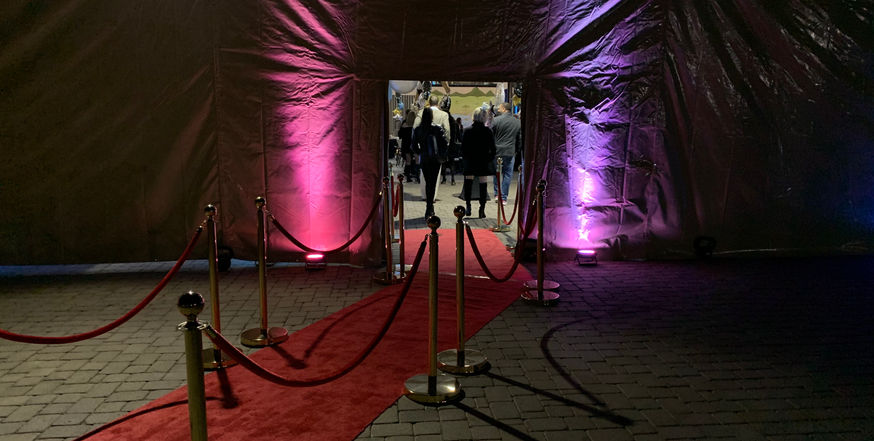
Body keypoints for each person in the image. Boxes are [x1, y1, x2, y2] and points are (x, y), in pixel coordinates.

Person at [411, 107, 447, 218]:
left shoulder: (418, 129)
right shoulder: (437, 128)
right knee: (433, 180)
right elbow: (444, 144)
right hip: (435, 159)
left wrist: (420, 152)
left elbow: (413, 145)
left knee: (428, 182)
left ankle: (429, 206)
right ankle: (430, 206)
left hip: (425, 158)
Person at [461, 107, 496, 218]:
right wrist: (489, 159)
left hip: (470, 160)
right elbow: (493, 149)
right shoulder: (488, 131)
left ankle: (468, 206)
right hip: (483, 161)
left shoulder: (467, 130)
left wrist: (465, 158)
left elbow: (463, 148)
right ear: (484, 117)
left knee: (468, 183)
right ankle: (482, 209)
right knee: (483, 185)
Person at [490, 102, 521, 204]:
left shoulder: (496, 120)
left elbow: (490, 135)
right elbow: (519, 139)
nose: (498, 110)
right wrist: (517, 150)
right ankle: (503, 197)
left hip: (497, 151)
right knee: (508, 174)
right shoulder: (517, 122)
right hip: (510, 151)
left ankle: (496, 194)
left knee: (496, 173)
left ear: (503, 109)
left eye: (499, 108)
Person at [439, 95, 461, 186]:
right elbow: (458, 136)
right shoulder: (454, 122)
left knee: (443, 161)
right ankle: (452, 179)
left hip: (443, 143)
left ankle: (444, 178)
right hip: (452, 144)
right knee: (451, 162)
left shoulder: (441, 120)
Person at [398, 105, 418, 182]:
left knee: (408, 161)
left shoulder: (404, 125)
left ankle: (408, 177)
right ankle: (417, 177)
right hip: (414, 145)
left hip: (406, 145)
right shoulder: (415, 126)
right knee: (417, 160)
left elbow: (400, 135)